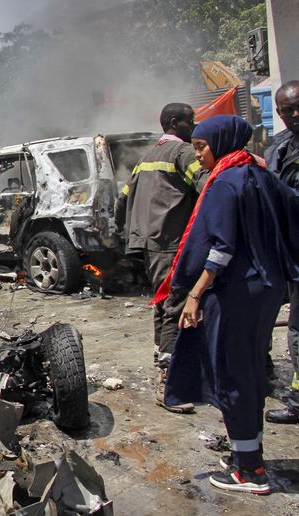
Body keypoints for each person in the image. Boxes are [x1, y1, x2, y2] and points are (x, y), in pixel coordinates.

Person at [158, 115, 299, 494]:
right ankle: (245, 452)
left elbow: (221, 249)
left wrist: (194, 293)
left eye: (201, 147)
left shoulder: (224, 182)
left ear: (219, 142)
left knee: (232, 372)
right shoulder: (259, 174)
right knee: (251, 369)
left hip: (235, 290)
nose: (198, 155)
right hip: (267, 289)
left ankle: (249, 472)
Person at [116, 103, 206, 413]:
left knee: (162, 303)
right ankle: (169, 385)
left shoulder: (144, 159)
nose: (193, 127)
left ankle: (163, 362)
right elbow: (207, 188)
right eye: (189, 122)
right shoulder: (183, 154)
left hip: (148, 244)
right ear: (173, 123)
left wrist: (124, 234)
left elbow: (122, 199)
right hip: (172, 242)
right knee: (175, 305)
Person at [264, 80, 299, 425]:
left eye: (297, 107)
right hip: (284, 253)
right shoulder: (279, 146)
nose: (293, 115)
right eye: (286, 110)